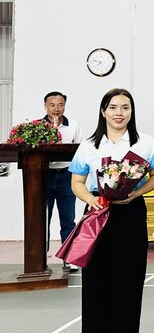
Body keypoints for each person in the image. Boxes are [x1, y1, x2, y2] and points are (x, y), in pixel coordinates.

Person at [69, 88, 154, 333]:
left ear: (131, 112)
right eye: (113, 107)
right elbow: (77, 182)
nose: (119, 113)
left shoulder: (145, 143)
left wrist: (135, 194)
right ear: (103, 111)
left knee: (129, 279)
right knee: (96, 280)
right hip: (98, 213)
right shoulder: (89, 146)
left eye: (125, 107)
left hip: (131, 212)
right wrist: (91, 200)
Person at [43, 91, 83, 271]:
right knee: (43, 218)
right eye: (52, 105)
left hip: (66, 176)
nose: (56, 109)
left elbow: (80, 152)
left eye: (60, 105)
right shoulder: (37, 127)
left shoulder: (73, 125)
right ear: (45, 106)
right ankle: (40, 257)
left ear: (64, 106)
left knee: (68, 219)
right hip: (44, 176)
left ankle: (69, 258)